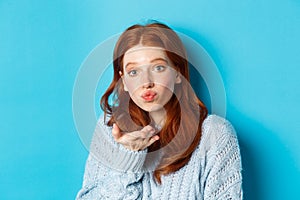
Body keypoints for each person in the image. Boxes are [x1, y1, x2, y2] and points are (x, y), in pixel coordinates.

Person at [76, 22, 243, 200]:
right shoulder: (109, 128)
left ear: (178, 73)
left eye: (158, 68)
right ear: (123, 81)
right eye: (134, 72)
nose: (146, 82)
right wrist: (128, 159)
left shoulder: (214, 133)